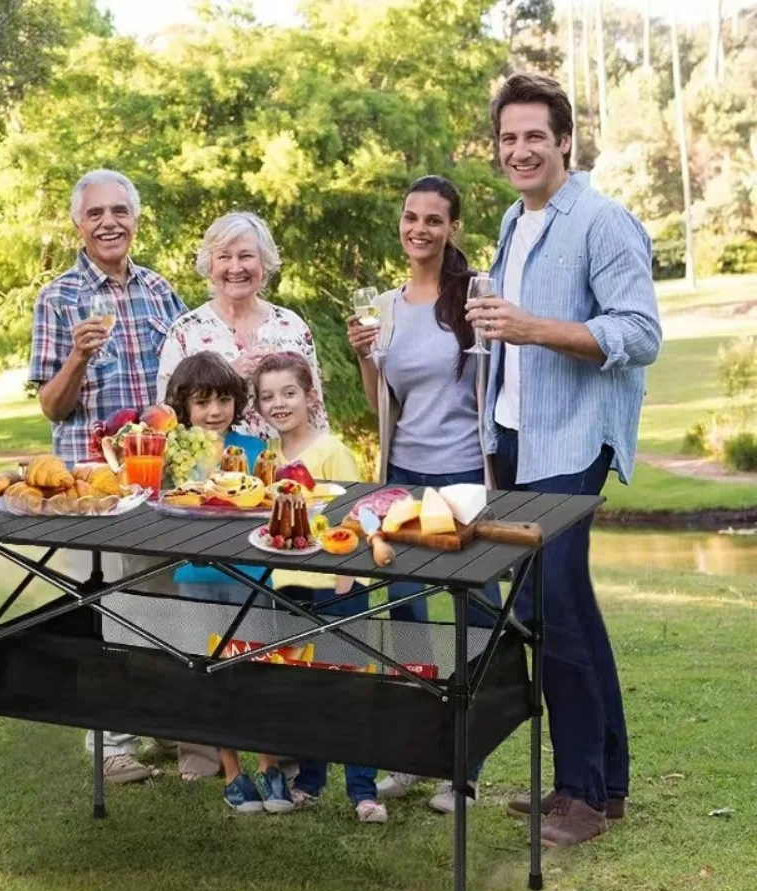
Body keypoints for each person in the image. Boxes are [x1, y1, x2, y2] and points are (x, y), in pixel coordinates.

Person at [465, 73, 661, 847]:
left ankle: (580, 792)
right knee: (565, 606)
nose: (520, 150)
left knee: (550, 610)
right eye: (508, 138)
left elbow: (640, 334)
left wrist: (534, 327)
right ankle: (603, 785)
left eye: (534, 137)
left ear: (565, 141)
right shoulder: (516, 222)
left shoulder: (603, 223)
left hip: (573, 440)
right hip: (518, 438)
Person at [346, 175, 499, 814]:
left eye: (433, 220)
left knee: (479, 617)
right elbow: (382, 403)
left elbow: (495, 384)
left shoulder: (476, 295)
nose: (419, 229)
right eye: (411, 217)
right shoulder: (384, 306)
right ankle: (414, 756)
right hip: (403, 476)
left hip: (465, 478)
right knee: (406, 617)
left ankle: (464, 766)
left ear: (451, 228)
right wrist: (364, 358)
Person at [29, 168, 186, 784]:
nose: (109, 223)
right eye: (95, 213)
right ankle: (110, 742)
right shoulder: (58, 298)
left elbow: (181, 384)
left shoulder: (160, 291)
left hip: (156, 480)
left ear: (136, 220)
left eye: (119, 211)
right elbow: (51, 405)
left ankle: (166, 722)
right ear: (78, 223)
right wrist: (78, 355)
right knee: (103, 603)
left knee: (163, 600)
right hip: (91, 488)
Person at [253, 352, 388, 824]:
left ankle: (363, 790)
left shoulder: (333, 450)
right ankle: (309, 779)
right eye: (268, 396)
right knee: (304, 682)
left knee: (349, 684)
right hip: (288, 583)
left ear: (310, 396)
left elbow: (357, 518)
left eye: (289, 393)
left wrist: (346, 579)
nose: (279, 403)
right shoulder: (267, 460)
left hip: (337, 583)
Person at [161, 351, 269, 785]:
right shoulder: (175, 455)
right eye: (202, 402)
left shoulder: (257, 450)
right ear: (184, 408)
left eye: (223, 400)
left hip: (251, 577)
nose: (214, 411)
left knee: (257, 666)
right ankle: (214, 762)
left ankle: (271, 759)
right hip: (196, 576)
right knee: (204, 668)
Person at [156, 211, 329, 440]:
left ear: (264, 262)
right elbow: (166, 418)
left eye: (246, 256)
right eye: (224, 257)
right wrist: (228, 376)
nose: (235, 268)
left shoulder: (292, 326)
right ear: (210, 266)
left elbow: (315, 410)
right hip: (212, 471)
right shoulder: (186, 331)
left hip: (288, 466)